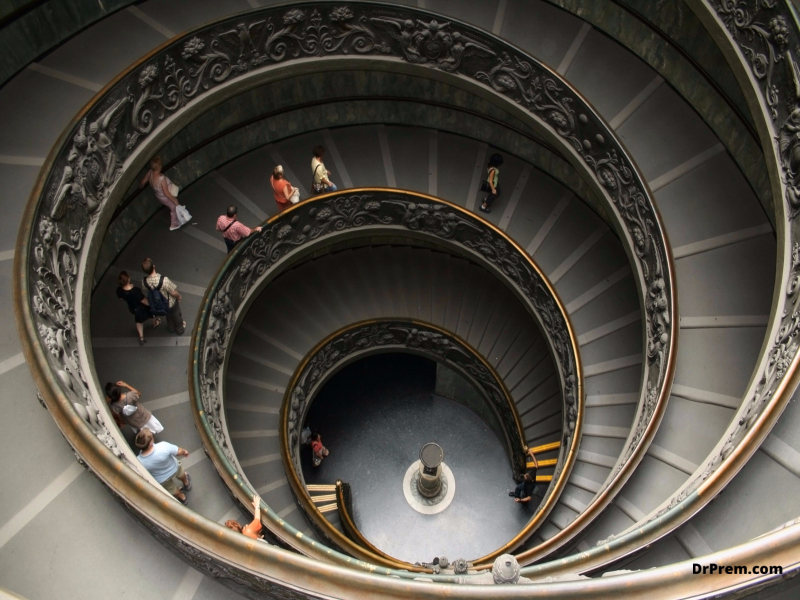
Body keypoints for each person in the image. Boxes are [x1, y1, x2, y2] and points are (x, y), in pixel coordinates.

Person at [135, 428, 192, 505]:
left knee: (172, 489)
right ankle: (186, 483)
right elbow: (178, 451)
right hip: (174, 468)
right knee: (182, 475)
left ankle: (182, 498)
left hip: (161, 479)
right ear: (150, 442)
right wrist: (184, 452)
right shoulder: (163, 446)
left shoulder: (139, 460)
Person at [142, 258, 185, 335]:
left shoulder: (144, 281)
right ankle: (180, 329)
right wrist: (179, 296)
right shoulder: (163, 280)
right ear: (154, 266)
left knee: (168, 315)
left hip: (161, 304)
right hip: (170, 302)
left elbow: (146, 289)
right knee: (176, 315)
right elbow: (173, 292)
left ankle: (171, 328)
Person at [116, 270, 159, 345]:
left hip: (133, 309)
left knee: (138, 320)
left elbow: (121, 298)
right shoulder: (135, 291)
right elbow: (144, 301)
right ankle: (155, 323)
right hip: (142, 307)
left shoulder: (119, 291)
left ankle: (141, 337)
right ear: (128, 279)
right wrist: (151, 304)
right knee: (151, 314)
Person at [140, 156, 182, 231]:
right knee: (173, 207)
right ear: (159, 167)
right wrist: (174, 200)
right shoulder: (161, 179)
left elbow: (143, 182)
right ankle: (174, 224)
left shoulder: (150, 172)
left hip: (158, 196)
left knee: (172, 206)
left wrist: (142, 185)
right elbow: (166, 193)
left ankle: (175, 221)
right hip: (164, 197)